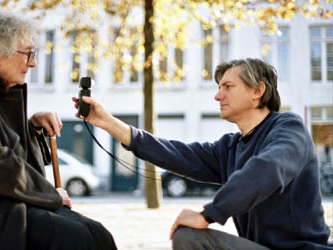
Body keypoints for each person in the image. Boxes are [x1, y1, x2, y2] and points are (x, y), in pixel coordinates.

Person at [73, 58, 331, 250]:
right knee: (188, 235)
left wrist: (208, 214)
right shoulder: (229, 147)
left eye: (228, 86)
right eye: (219, 87)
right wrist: (107, 122)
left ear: (258, 91)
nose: (218, 95)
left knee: (190, 236)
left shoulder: (288, 127)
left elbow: (267, 168)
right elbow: (176, 153)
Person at [0, 12, 117, 250]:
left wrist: (33, 127)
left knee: (96, 234)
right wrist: (49, 194)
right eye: (28, 54)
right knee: (77, 238)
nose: (33, 63)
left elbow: (8, 151)